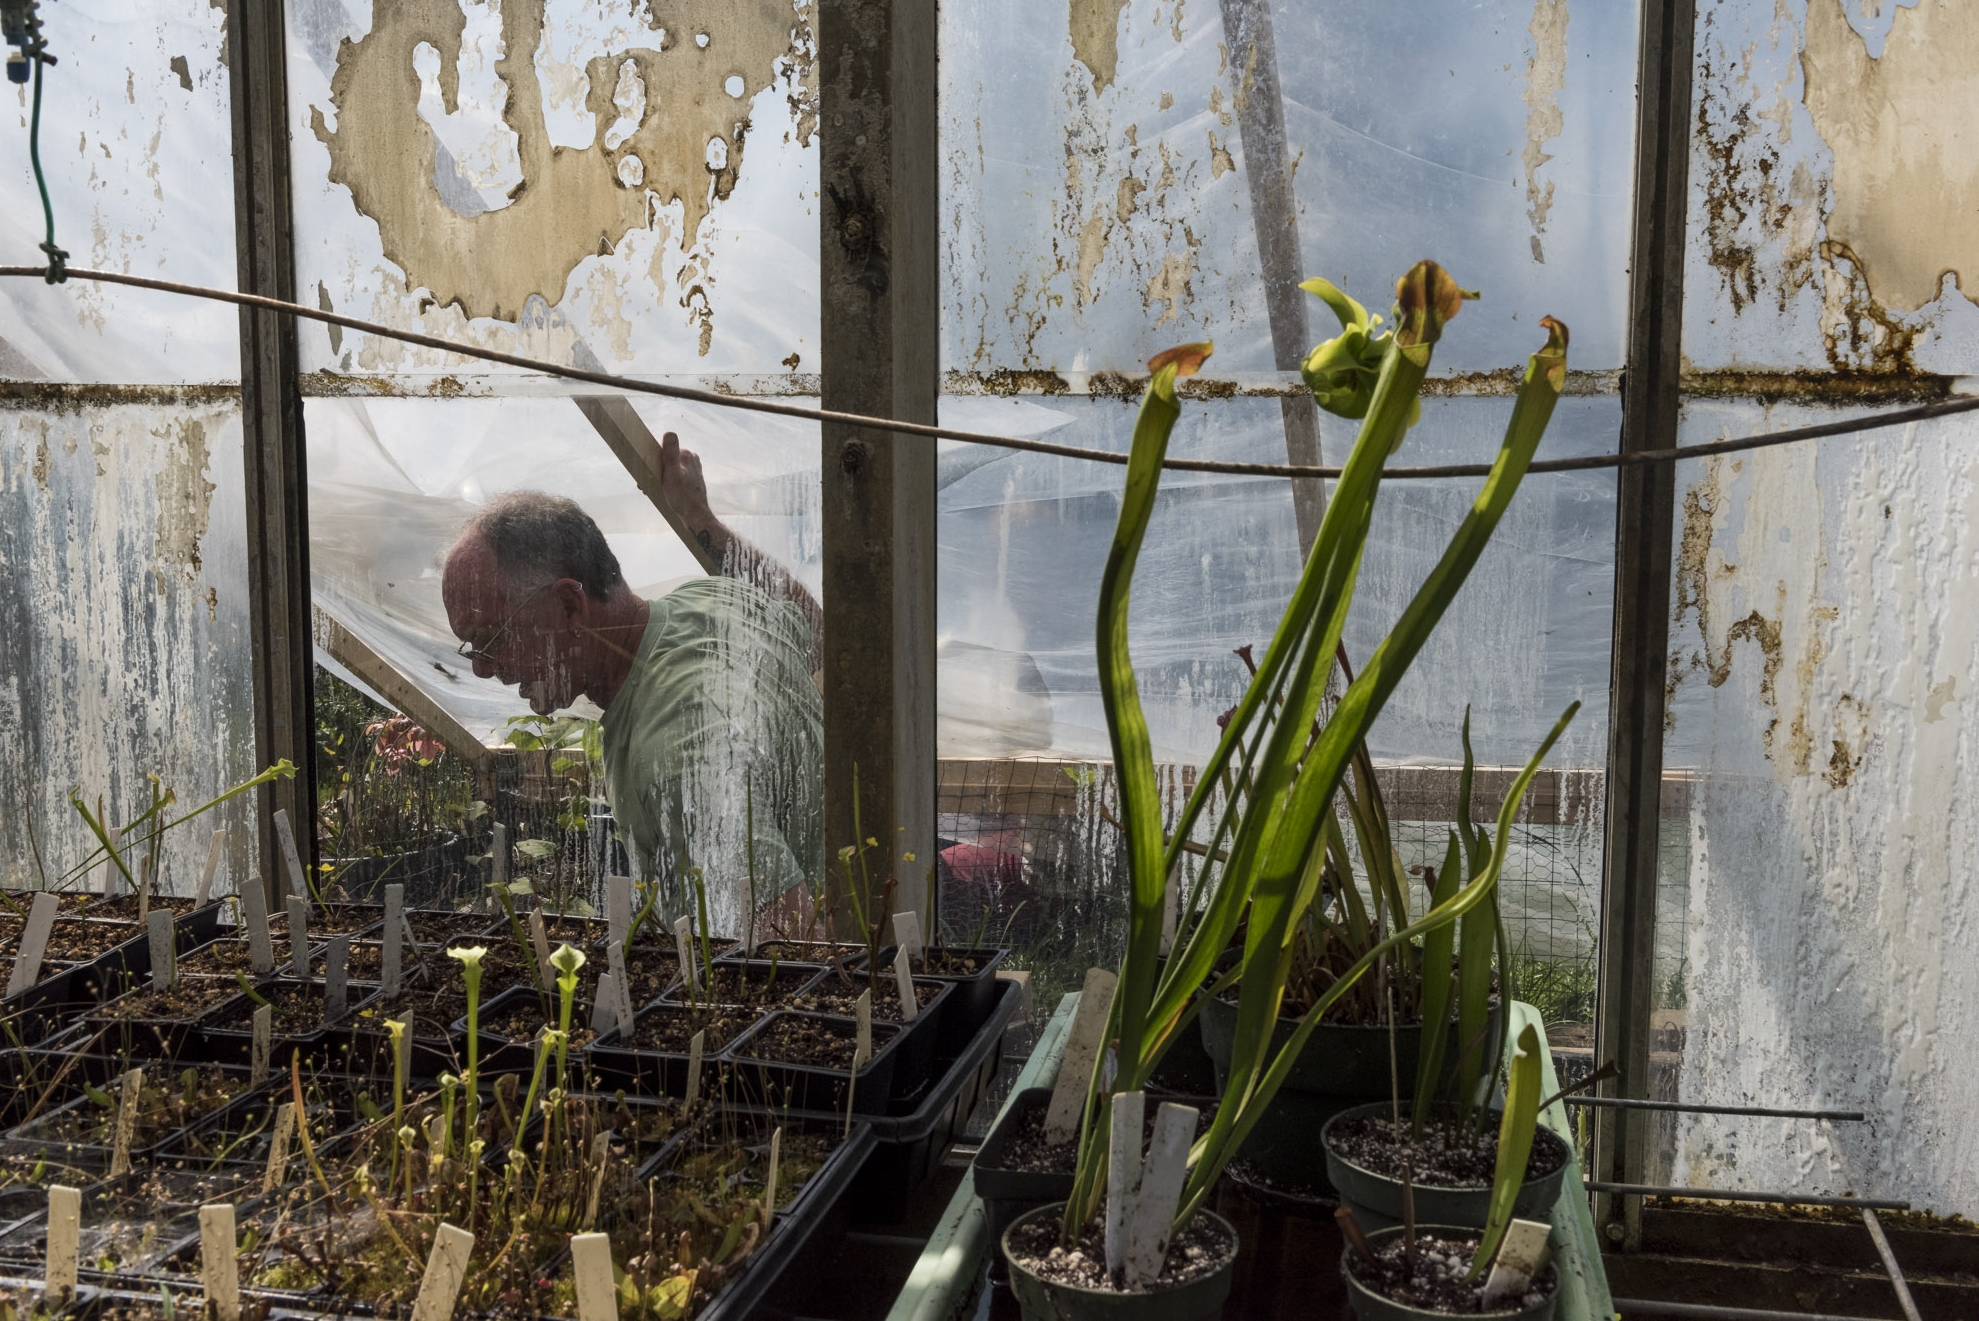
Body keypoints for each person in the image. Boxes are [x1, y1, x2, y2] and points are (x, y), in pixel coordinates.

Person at [441, 436, 821, 935]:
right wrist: (702, 521)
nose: (483, 670)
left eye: (490, 639)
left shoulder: (676, 753)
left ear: (570, 606)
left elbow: (794, 951)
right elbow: (815, 628)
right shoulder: (709, 598)